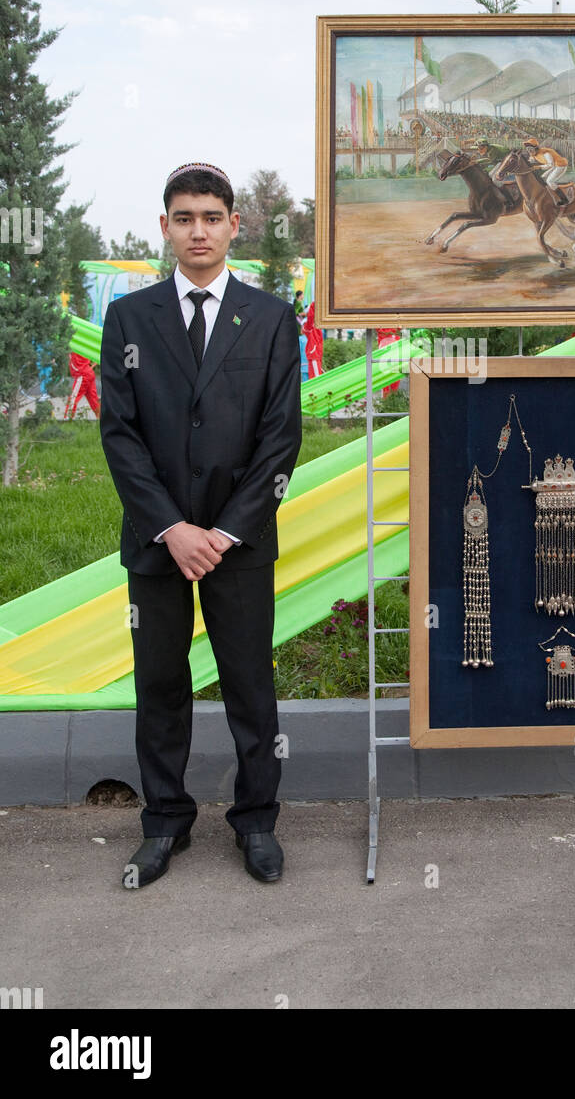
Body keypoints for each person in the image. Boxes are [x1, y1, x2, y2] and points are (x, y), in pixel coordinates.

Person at [99, 162, 302, 889]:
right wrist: (171, 528)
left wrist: (223, 531)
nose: (198, 231)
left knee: (250, 686)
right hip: (157, 543)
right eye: (184, 218)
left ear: (234, 225)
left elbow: (281, 438)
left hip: (238, 543)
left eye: (212, 217)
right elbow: (120, 435)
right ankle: (164, 825)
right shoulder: (130, 318)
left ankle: (257, 822)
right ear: (165, 228)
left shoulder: (272, 318)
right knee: (160, 685)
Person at [64, 352, 101, 419]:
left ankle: (67, 420)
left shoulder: (74, 344)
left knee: (73, 398)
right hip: (88, 372)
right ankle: (102, 420)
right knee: (93, 399)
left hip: (82, 375)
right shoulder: (83, 345)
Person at [303, 300, 324, 378]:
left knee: (316, 376)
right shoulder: (309, 327)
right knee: (316, 378)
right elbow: (311, 317)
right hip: (314, 355)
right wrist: (315, 304)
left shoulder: (317, 327)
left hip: (317, 355)